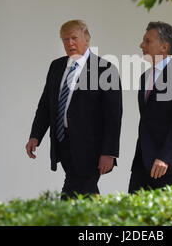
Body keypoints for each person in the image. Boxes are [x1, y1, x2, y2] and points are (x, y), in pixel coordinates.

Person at [26, 20, 122, 199]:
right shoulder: (56, 66)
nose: (69, 43)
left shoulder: (105, 69)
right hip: (63, 143)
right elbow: (46, 105)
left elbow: (113, 116)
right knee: (83, 193)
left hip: (91, 149)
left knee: (74, 191)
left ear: (86, 39)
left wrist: (109, 152)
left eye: (74, 38)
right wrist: (35, 135)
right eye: (65, 39)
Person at [128, 21, 172, 193]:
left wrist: (165, 157)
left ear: (164, 47)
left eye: (148, 41)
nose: (141, 45)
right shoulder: (144, 77)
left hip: (170, 165)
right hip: (142, 164)